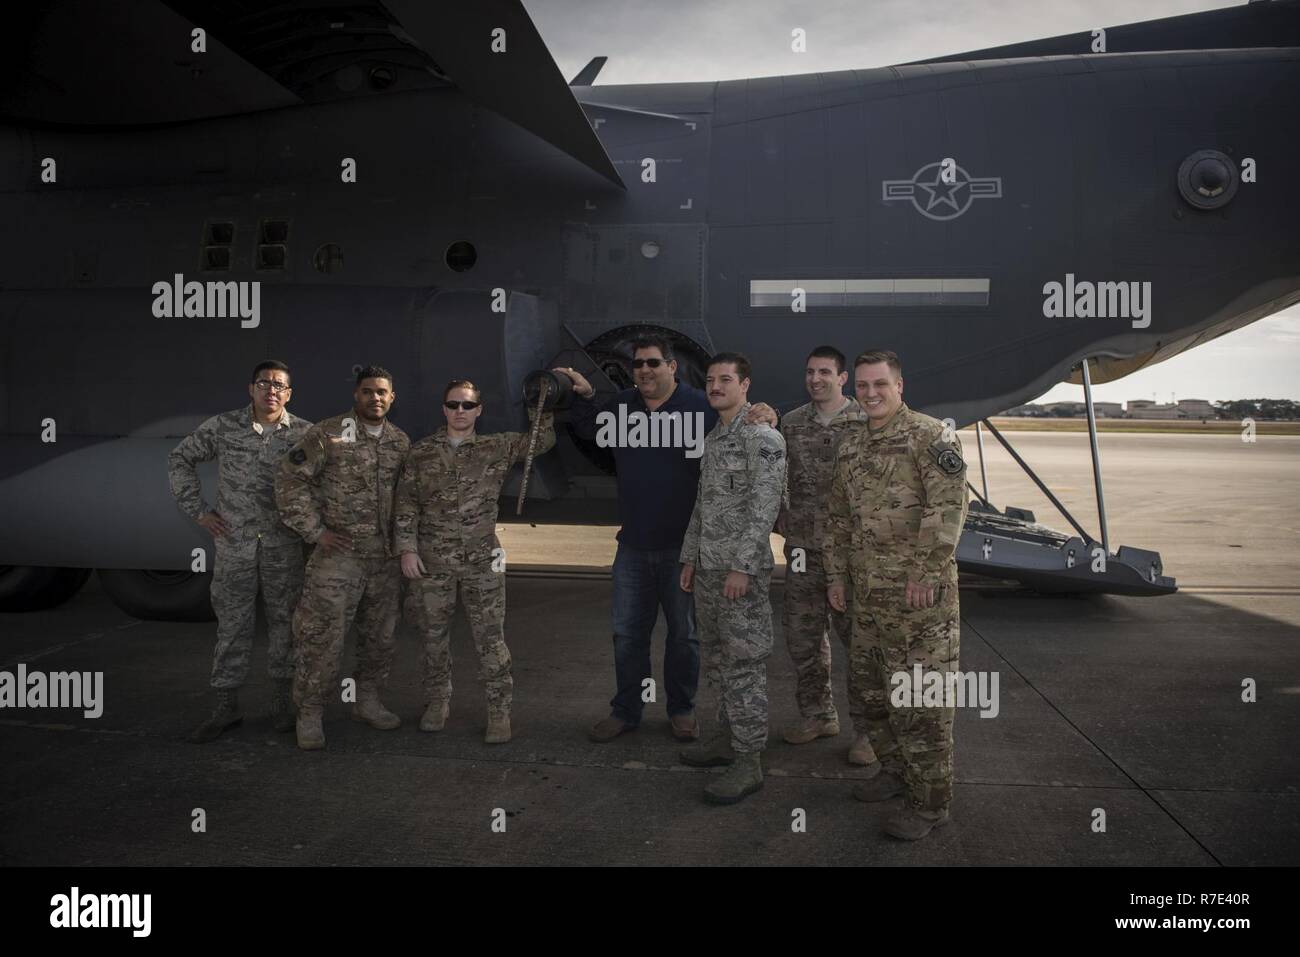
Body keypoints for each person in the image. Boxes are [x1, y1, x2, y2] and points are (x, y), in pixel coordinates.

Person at [555, 337, 775, 743]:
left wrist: (764, 413)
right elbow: (588, 431)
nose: (644, 370)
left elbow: (737, 423)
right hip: (633, 546)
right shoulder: (621, 406)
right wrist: (585, 398)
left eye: (653, 363)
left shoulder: (701, 406)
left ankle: (681, 709)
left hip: (684, 549)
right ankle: (626, 710)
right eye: (638, 364)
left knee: (684, 636)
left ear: (672, 367)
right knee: (627, 634)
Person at [824, 350, 968, 840]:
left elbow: (948, 510)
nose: (869, 393)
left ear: (899, 386)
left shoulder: (931, 436)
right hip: (866, 600)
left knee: (923, 707)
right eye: (862, 385)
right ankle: (895, 773)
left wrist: (925, 574)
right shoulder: (849, 443)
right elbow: (839, 517)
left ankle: (931, 805)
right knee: (872, 698)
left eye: (879, 384)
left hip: (918, 603)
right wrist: (837, 577)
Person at [394, 378, 555, 744]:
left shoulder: (495, 447)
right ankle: (437, 702)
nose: (460, 412)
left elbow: (540, 442)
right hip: (433, 561)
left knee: (490, 639)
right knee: (433, 637)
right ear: (444, 409)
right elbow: (406, 504)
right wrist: (406, 549)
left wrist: (543, 399)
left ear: (479, 410)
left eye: (467, 405)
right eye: (453, 405)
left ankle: (499, 710)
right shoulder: (421, 453)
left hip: (484, 559)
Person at [168, 360, 313, 742]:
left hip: (283, 546)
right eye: (264, 383)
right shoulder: (223, 426)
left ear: (289, 394)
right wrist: (199, 511)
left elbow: (325, 484)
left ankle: (282, 704)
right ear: (251, 389)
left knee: (286, 626)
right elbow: (180, 458)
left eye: (280, 385)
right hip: (235, 547)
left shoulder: (304, 434)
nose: (271, 390)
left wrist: (309, 525)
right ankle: (225, 707)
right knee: (233, 626)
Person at [275, 365, 410, 750]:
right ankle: (311, 712)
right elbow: (289, 479)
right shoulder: (327, 434)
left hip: (382, 561)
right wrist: (315, 532)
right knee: (321, 639)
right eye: (368, 391)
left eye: (382, 392)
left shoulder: (399, 442)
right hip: (339, 559)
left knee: (380, 638)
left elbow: (408, 499)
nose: (375, 398)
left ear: (392, 398)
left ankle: (366, 701)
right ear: (356, 395)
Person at [678, 352, 786, 804]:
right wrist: (690, 558)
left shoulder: (763, 437)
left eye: (726, 379)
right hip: (708, 570)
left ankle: (748, 761)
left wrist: (742, 566)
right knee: (719, 661)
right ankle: (726, 741)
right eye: (710, 379)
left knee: (743, 665)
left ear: (745, 386)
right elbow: (704, 506)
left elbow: (765, 507)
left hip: (739, 574)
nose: (716, 386)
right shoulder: (716, 437)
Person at [776, 346, 872, 762]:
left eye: (825, 372)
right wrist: (781, 514)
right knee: (803, 638)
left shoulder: (866, 422)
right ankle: (817, 715)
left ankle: (869, 732)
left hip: (850, 556)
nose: (816, 379)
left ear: (842, 378)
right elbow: (778, 475)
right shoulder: (792, 423)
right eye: (810, 372)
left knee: (860, 643)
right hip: (801, 551)